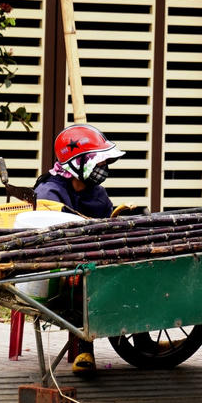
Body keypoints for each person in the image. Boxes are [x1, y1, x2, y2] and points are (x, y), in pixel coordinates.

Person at [34, 124, 124, 372]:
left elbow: (109, 219)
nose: (103, 169)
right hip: (64, 268)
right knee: (86, 281)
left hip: (100, 257)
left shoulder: (97, 193)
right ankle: (85, 349)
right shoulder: (49, 192)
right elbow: (52, 239)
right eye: (99, 163)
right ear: (77, 164)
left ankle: (142, 341)